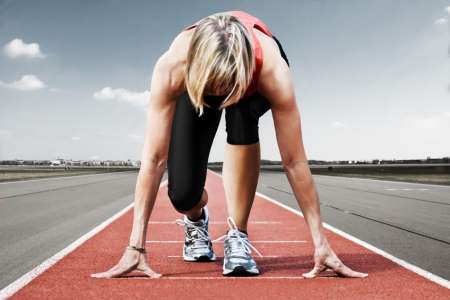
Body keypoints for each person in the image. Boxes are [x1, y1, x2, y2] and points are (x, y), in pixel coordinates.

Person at [91, 10, 368, 278]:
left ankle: (238, 234)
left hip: (250, 79)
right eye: (217, 89)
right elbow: (153, 159)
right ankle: (196, 219)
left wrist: (321, 244)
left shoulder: (273, 71)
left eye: (228, 88)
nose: (223, 97)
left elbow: (294, 161)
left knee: (242, 116)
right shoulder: (173, 66)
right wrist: (135, 246)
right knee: (182, 195)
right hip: (200, 79)